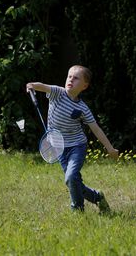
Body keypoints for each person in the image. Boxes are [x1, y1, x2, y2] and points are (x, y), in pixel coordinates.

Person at [26, 65, 119, 213]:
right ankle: (97, 198)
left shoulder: (82, 108)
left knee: (70, 177)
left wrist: (110, 149)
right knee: (73, 181)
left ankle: (77, 208)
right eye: (69, 76)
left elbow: (96, 128)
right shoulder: (57, 93)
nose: (71, 80)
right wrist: (32, 86)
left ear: (84, 86)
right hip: (59, 147)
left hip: (77, 146)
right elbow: (43, 87)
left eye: (76, 78)